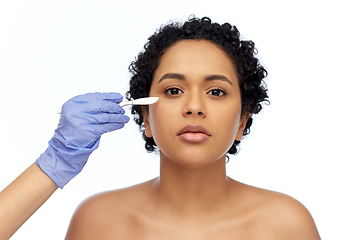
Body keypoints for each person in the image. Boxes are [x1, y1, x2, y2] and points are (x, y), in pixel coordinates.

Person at [0, 16, 321, 239]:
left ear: (243, 121)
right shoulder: (98, 220)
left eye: (216, 92)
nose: (194, 106)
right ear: (146, 118)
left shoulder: (285, 225)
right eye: (173, 90)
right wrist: (53, 163)